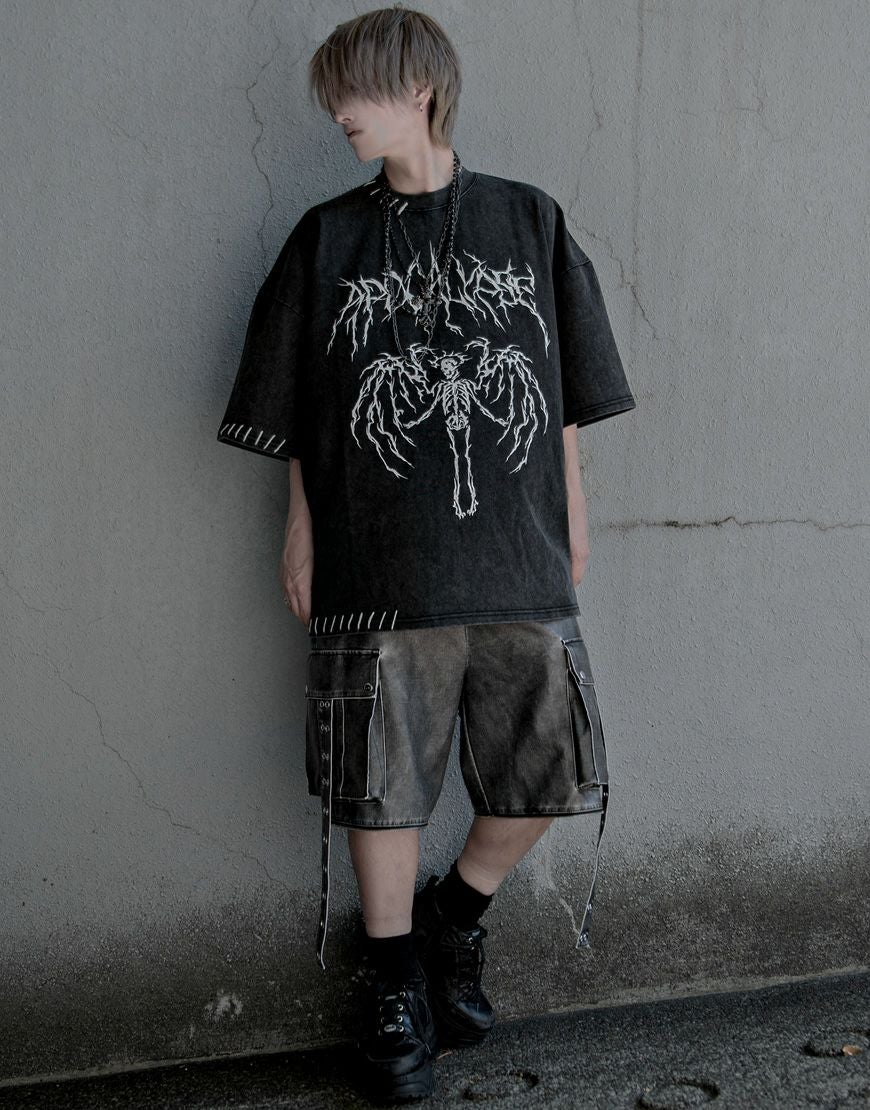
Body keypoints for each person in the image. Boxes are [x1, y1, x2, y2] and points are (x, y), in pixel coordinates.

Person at [217, 5, 636, 1101]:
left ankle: (457, 914)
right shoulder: (327, 239)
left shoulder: (527, 218)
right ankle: (396, 978)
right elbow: (300, 406)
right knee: (381, 779)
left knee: (549, 770)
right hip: (378, 557)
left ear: (419, 90)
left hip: (517, 550)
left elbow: (562, 389)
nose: (338, 115)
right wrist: (301, 525)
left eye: (353, 93)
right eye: (333, 98)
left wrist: (572, 511)